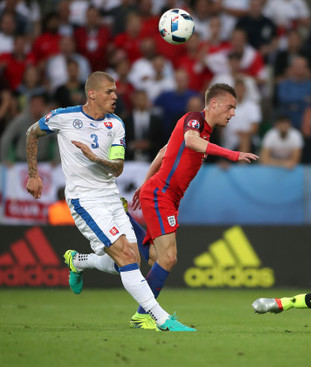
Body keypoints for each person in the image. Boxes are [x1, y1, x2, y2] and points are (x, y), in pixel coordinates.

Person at [25, 71, 192, 332]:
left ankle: (79, 261)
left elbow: (117, 168)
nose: (115, 96)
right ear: (91, 93)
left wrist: (95, 158)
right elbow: (32, 133)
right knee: (125, 257)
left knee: (132, 260)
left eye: (115, 91)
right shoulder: (63, 117)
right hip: (84, 200)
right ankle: (161, 319)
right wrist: (33, 175)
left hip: (111, 197)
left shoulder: (116, 124)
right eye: (109, 92)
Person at [128, 83, 258, 328]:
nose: (233, 113)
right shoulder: (194, 120)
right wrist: (233, 154)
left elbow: (164, 151)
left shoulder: (206, 132)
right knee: (169, 258)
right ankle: (143, 315)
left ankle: (124, 221)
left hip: (163, 195)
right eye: (230, 107)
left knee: (156, 258)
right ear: (214, 104)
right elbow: (189, 141)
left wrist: (143, 185)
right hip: (161, 194)